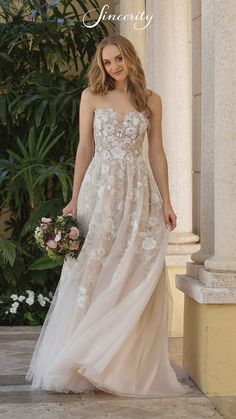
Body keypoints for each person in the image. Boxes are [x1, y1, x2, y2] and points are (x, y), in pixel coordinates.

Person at [25, 34, 193, 397]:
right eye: (107, 62)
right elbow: (84, 147)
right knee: (94, 268)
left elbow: (157, 153)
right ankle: (82, 358)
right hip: (100, 192)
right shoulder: (91, 97)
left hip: (137, 193)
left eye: (119, 59)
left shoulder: (151, 101)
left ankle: (120, 362)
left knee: (131, 270)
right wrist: (73, 199)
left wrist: (166, 200)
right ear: (100, 66)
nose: (113, 66)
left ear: (130, 58)